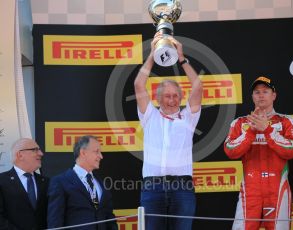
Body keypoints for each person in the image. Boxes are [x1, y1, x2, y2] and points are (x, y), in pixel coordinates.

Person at [134, 33, 202, 230]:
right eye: (166, 96)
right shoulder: (149, 115)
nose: (171, 100)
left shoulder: (188, 117)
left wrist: (182, 58)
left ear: (181, 98)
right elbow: (139, 84)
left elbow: (197, 86)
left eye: (175, 96)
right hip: (152, 187)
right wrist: (153, 54)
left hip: (182, 188)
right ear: (157, 98)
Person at [224, 76, 293, 230]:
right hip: (250, 190)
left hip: (277, 189)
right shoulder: (240, 123)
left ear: (274, 95)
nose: (261, 95)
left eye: (265, 91)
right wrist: (250, 132)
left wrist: (267, 130)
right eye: (257, 92)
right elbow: (230, 151)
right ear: (252, 97)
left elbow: (291, 150)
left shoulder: (287, 121)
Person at [47, 135, 118, 230]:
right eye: (97, 151)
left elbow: (109, 218)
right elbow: (55, 222)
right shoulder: (60, 182)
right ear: (83, 152)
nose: (101, 156)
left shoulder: (101, 183)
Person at [0, 138, 49, 229]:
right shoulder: (2, 181)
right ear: (20, 155)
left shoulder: (46, 182)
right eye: (35, 150)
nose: (41, 153)